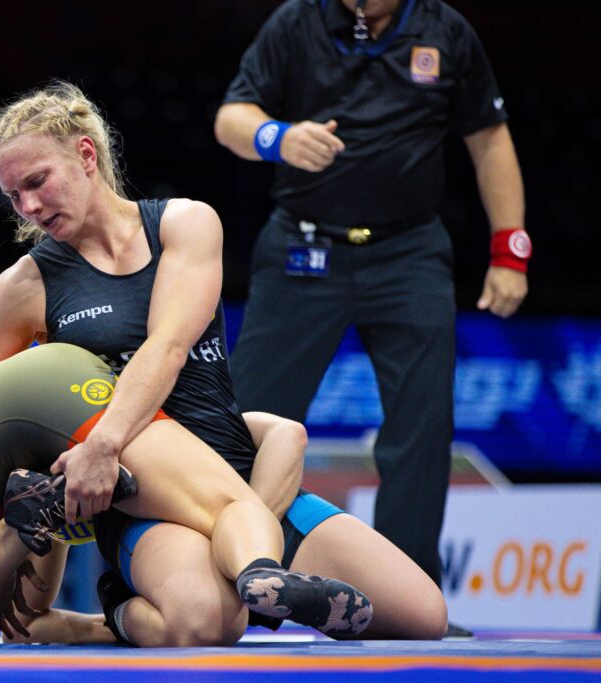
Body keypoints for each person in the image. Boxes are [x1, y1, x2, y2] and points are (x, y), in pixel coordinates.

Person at [0, 80, 444, 646]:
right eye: (15, 196)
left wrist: (102, 443)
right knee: (202, 623)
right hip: (143, 503)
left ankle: (253, 572)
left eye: (37, 182)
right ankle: (119, 612)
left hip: (239, 484)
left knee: (422, 616)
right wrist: (13, 552)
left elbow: (166, 346)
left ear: (86, 154)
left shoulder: (185, 224)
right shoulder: (24, 286)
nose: (30, 208)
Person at [213, 0, 530, 632]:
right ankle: (226, 582)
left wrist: (510, 249)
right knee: (240, 425)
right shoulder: (296, 22)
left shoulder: (446, 30)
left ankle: (406, 599)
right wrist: (278, 136)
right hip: (304, 251)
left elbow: (489, 139)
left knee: (421, 428)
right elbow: (231, 119)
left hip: (408, 253)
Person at [0, 342, 373, 646]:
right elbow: (277, 449)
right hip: (60, 400)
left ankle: (22, 524)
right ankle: (258, 572)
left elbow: (29, 625)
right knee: (233, 522)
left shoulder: (172, 457)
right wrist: (243, 552)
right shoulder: (179, 440)